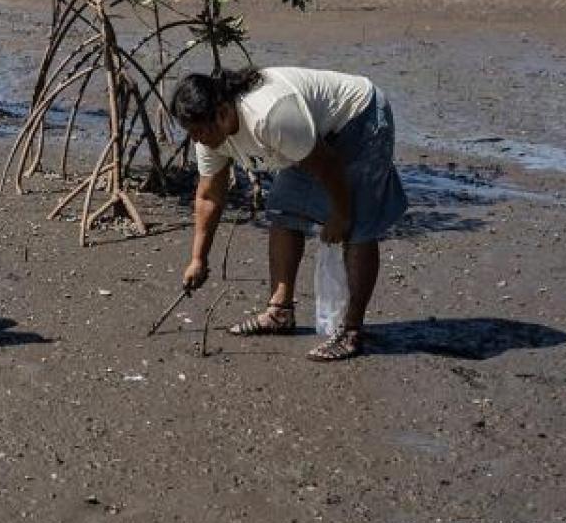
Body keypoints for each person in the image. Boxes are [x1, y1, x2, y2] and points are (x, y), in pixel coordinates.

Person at [170, 66, 408, 361]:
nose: (196, 140)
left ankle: (351, 331)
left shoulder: (269, 115)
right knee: (283, 209)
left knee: (358, 224)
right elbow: (209, 196)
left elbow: (328, 165)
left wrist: (340, 214)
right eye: (190, 133)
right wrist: (198, 258)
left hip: (360, 116)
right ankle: (279, 312)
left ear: (222, 112)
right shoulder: (209, 135)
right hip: (312, 138)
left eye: (199, 131)